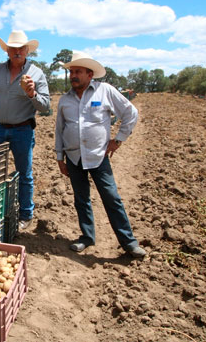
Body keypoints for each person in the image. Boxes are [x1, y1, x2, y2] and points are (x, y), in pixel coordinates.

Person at [55, 51, 146, 258]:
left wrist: (118, 140)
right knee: (81, 199)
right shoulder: (64, 100)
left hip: (98, 157)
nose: (73, 76)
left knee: (111, 198)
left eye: (77, 72)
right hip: (74, 157)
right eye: (71, 72)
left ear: (89, 74)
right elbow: (59, 130)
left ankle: (129, 243)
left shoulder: (105, 91)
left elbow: (130, 113)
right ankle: (87, 237)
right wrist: (60, 158)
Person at [0, 30, 51, 230]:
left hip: (23, 130)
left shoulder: (36, 73)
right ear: (7, 51)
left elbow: (45, 106)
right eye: (13, 48)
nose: (17, 51)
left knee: (24, 173)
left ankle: (25, 214)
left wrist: (31, 93)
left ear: (27, 50)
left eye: (21, 48)